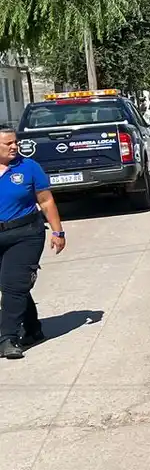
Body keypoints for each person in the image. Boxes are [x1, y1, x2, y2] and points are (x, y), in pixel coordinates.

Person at [0, 126, 65, 360]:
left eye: (15, 142)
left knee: (13, 285)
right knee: (9, 284)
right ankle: (33, 328)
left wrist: (58, 232)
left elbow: (46, 201)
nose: (14, 146)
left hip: (25, 233)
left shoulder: (28, 167)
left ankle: (7, 338)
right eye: (8, 144)